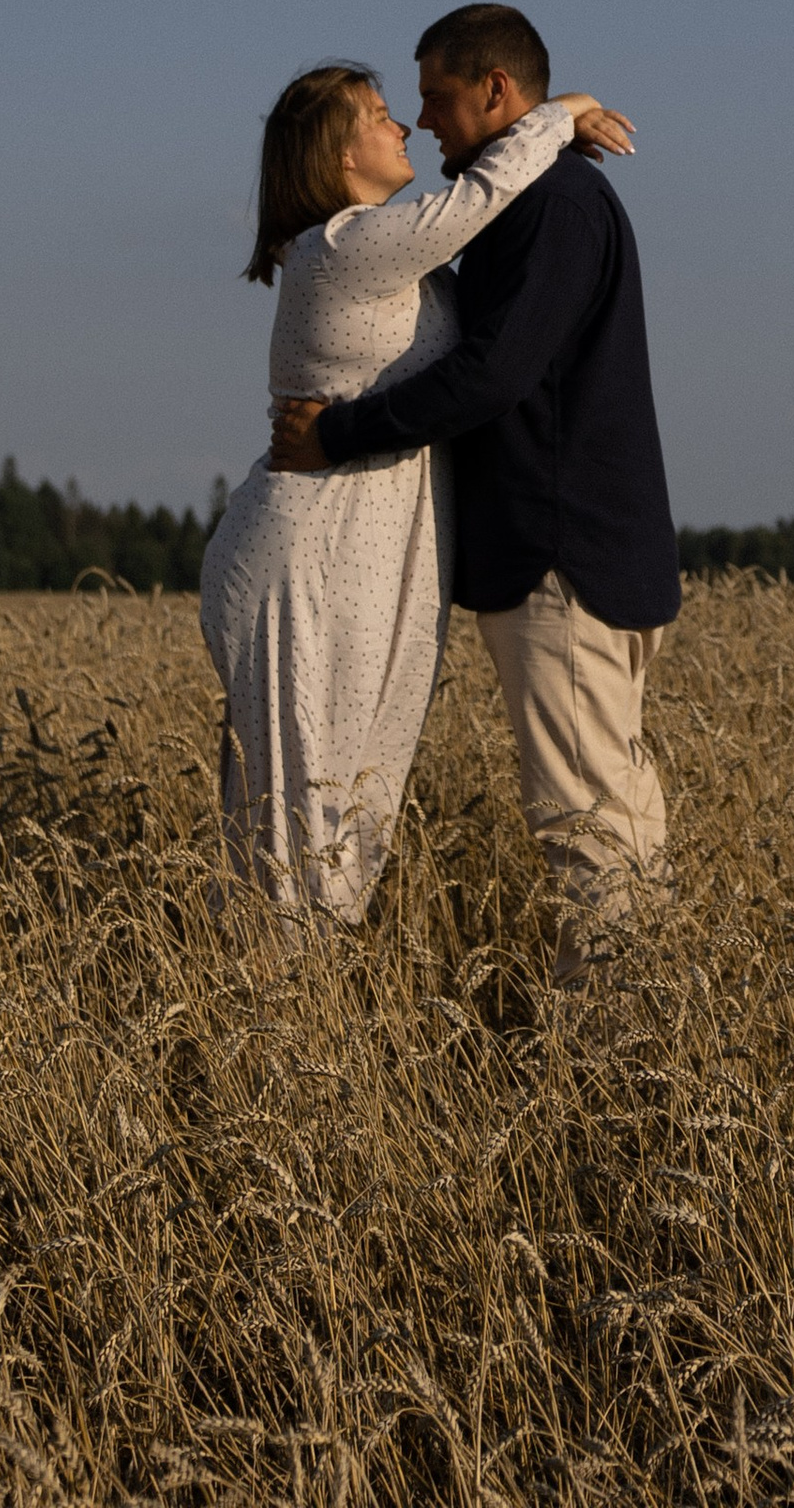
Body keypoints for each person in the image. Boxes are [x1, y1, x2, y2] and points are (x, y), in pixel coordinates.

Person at [270, 2, 678, 984]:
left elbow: (494, 375)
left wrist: (337, 434)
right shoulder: (530, 199)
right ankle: (652, 1023)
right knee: (614, 807)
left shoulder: (548, 206)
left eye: (438, 99)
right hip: (578, 548)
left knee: (587, 825)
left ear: (496, 92)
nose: (424, 122)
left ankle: (620, 1047)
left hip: (557, 560)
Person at [199, 56, 634, 927]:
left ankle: (282, 1018)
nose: (403, 128)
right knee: (301, 825)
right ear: (336, 155)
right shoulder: (341, 249)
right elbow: (477, 200)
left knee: (345, 808)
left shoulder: (383, 256)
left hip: (367, 552)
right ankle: (270, 1030)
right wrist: (563, 111)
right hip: (316, 562)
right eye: (381, 114)